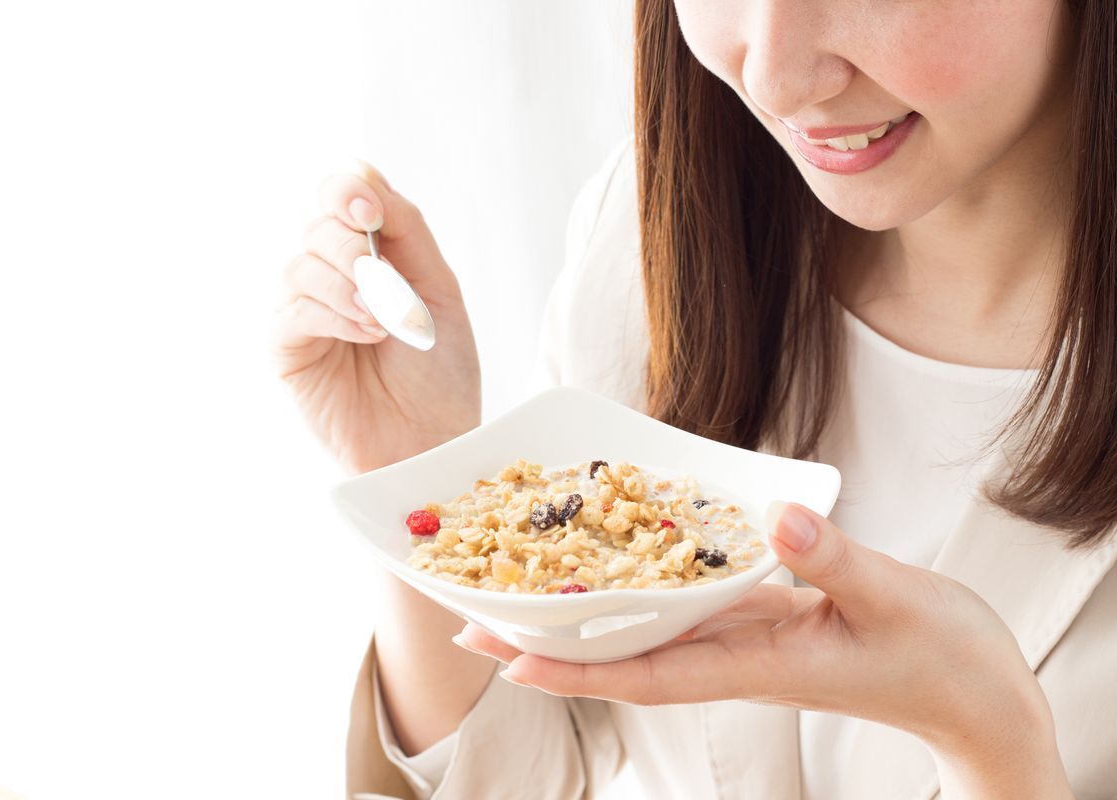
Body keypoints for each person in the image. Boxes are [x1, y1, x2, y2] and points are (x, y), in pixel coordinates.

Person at [275, 0, 1117, 797]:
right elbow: (535, 756)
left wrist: (990, 739)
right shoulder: (663, 232)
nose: (777, 78)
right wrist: (422, 471)